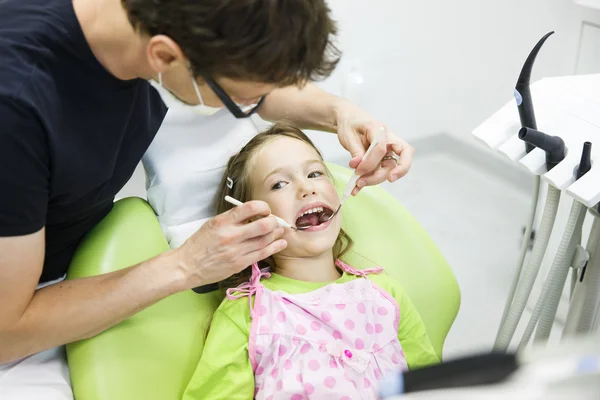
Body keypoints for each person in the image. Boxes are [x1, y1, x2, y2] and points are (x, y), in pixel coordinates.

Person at [0, 0, 413, 398]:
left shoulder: (157, 22)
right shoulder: (17, 109)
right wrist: (185, 265)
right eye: (242, 103)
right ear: (163, 57)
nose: (254, 108)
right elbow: (7, 332)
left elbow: (259, 89)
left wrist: (339, 112)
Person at [182, 123, 438, 400]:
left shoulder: (386, 294)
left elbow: (435, 388)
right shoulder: (247, 314)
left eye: (315, 173)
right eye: (279, 184)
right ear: (252, 221)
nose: (306, 188)